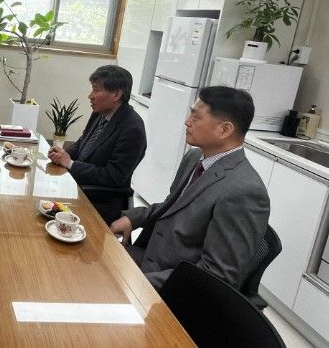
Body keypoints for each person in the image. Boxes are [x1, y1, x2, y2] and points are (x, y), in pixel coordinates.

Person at [110, 86, 270, 291]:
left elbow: (216, 275)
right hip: (152, 259)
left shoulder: (244, 191)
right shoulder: (195, 157)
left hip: (173, 284)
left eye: (196, 117)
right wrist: (133, 218)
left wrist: (141, 283)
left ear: (224, 130)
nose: (187, 121)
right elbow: (173, 205)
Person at [47, 65, 146, 224]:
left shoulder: (132, 128)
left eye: (96, 90)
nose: (90, 96)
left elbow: (113, 176)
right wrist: (60, 154)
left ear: (116, 95)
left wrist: (70, 164)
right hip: (79, 186)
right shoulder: (100, 113)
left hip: (101, 201)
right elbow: (82, 143)